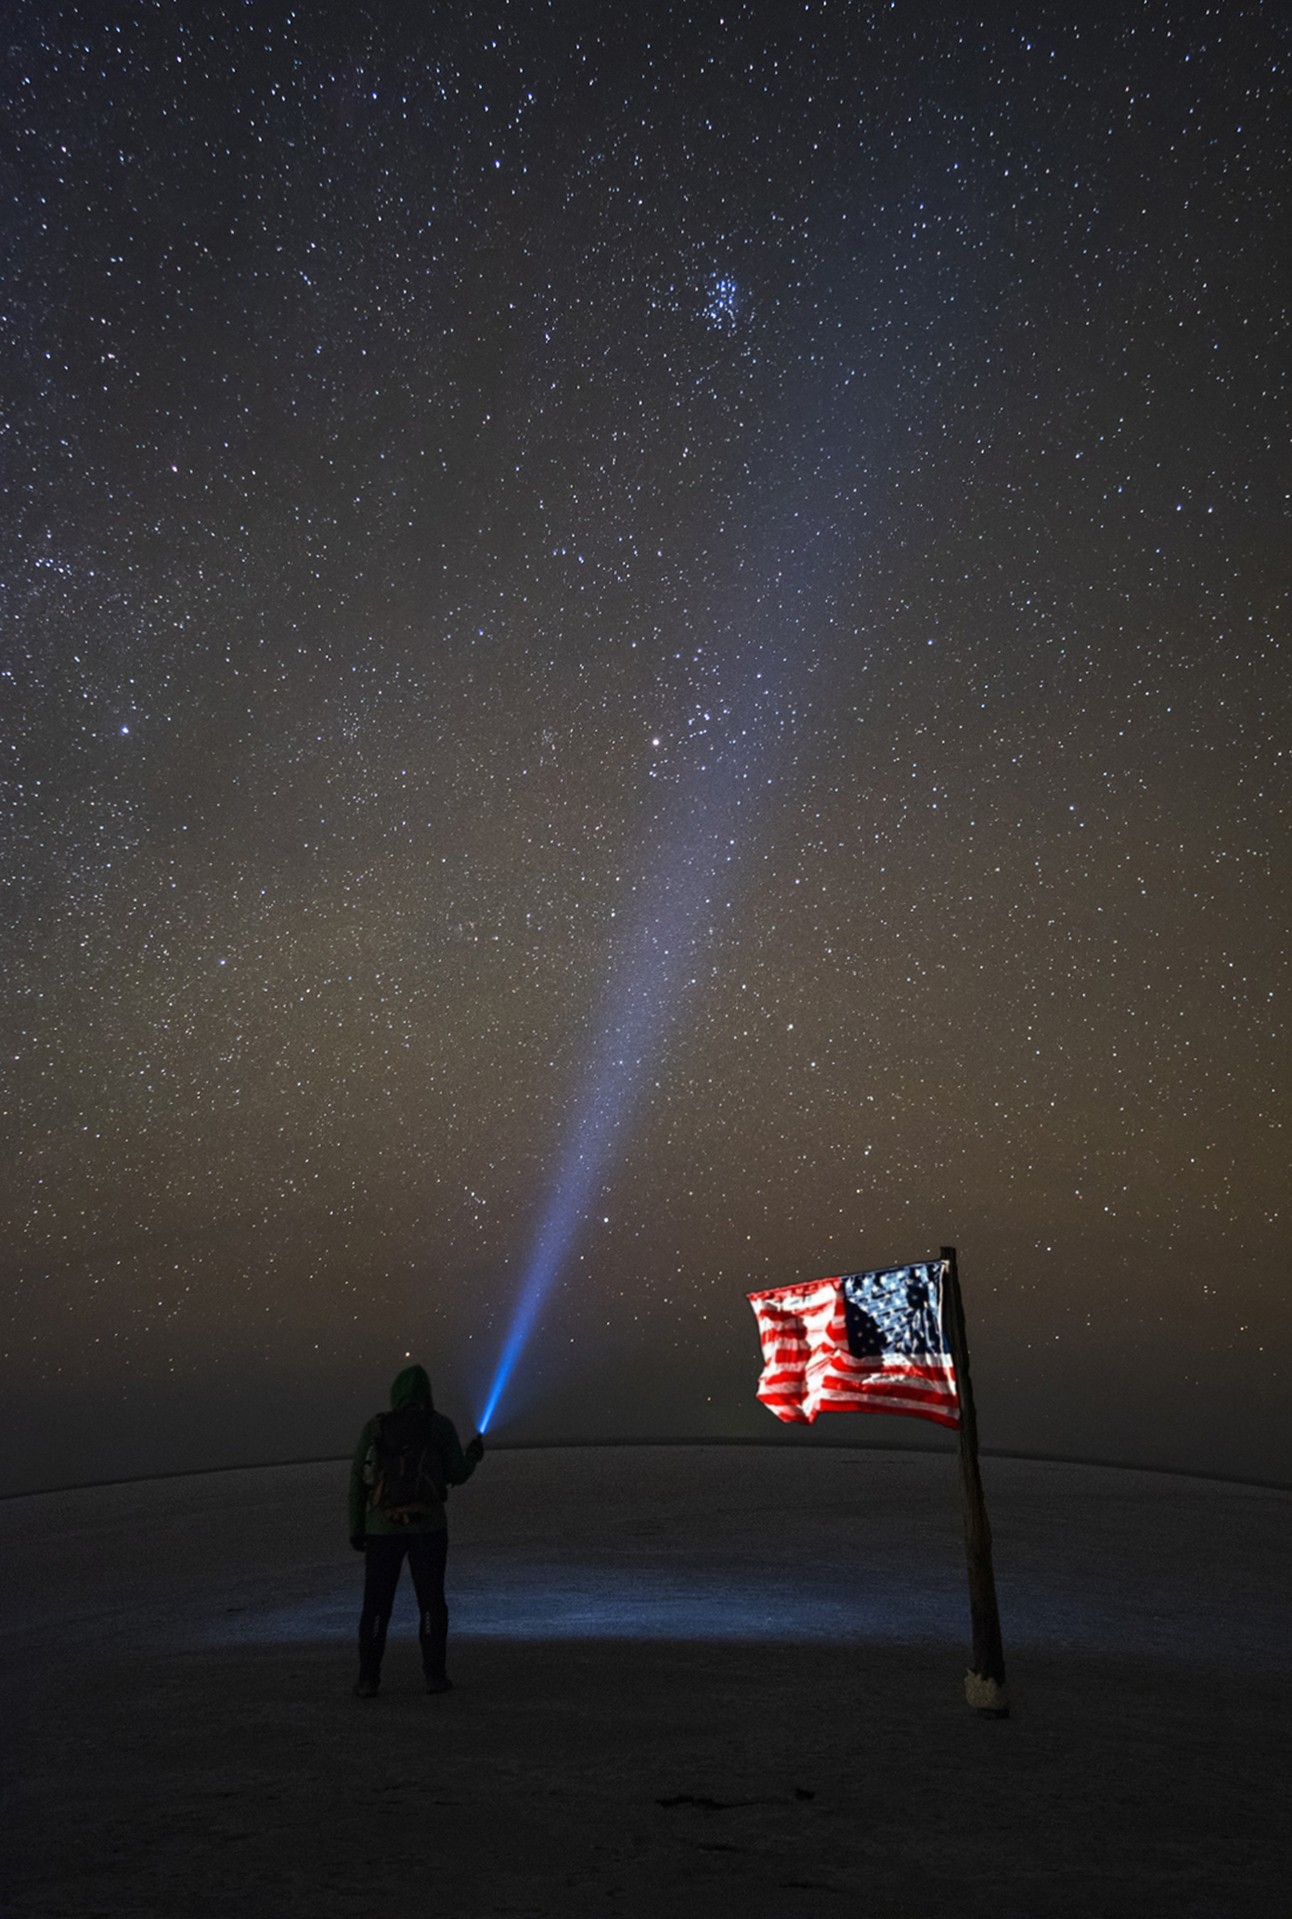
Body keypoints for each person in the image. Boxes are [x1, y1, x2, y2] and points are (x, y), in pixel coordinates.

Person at [348, 1363, 484, 1697]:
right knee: (431, 1602)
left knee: (377, 1605)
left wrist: (357, 1528)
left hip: (382, 1528)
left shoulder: (375, 1428)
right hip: (429, 1528)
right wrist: (473, 1456)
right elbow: (457, 1472)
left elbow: (357, 1482)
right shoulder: (438, 1426)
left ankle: (368, 1679)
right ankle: (435, 1676)